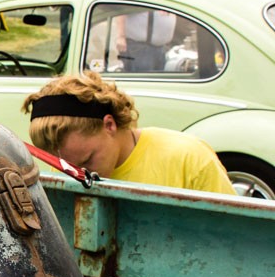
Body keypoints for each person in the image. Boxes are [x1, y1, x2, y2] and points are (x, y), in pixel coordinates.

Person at [22, 71, 236, 194]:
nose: (80, 176)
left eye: (88, 160)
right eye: (68, 168)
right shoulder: (68, 173)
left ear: (109, 125)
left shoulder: (189, 159)